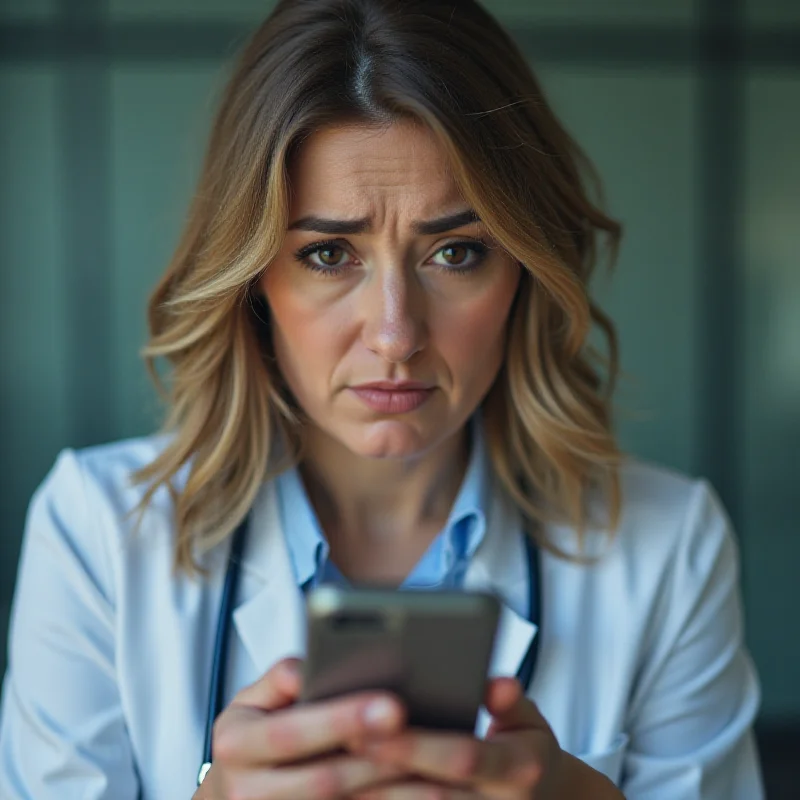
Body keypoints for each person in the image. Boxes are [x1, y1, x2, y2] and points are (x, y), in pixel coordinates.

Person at [0, 0, 764, 797]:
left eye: (456, 252)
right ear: (253, 280)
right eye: (330, 253)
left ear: (526, 273)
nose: (396, 334)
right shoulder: (95, 534)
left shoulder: (671, 547)